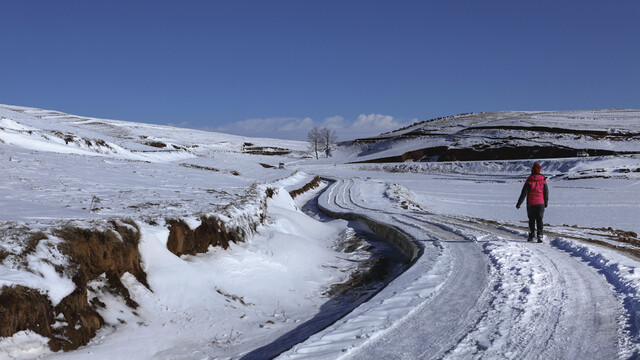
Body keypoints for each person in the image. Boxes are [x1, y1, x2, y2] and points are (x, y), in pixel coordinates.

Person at [516, 162, 549, 242]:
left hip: (531, 204)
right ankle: (540, 235)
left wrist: (519, 203)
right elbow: (546, 193)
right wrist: (545, 203)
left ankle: (531, 236)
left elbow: (524, 193)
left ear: (532, 170)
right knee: (539, 219)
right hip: (541, 204)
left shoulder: (529, 180)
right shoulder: (543, 180)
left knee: (531, 220)